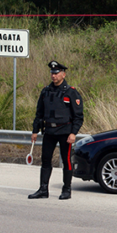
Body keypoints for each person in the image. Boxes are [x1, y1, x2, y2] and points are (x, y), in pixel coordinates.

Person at [28, 61, 84, 200]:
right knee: (45, 160)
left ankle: (66, 190)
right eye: (52, 73)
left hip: (65, 132)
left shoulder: (71, 92)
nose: (54, 76)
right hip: (49, 132)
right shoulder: (46, 91)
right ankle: (43, 189)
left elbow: (78, 116)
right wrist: (35, 131)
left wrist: (73, 133)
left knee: (67, 161)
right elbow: (39, 113)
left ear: (63, 74)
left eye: (56, 73)